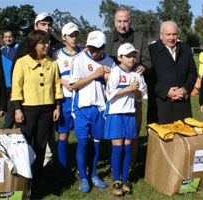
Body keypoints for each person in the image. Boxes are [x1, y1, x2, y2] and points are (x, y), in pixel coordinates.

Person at [11, 30, 63, 187]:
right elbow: (16, 87)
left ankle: (38, 177)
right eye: (43, 43)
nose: (47, 45)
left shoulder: (52, 63)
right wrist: (17, 109)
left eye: (47, 42)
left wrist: (57, 106)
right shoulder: (22, 62)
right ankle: (23, 177)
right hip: (27, 109)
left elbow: (56, 85)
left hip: (47, 109)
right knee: (25, 143)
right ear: (33, 44)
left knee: (41, 144)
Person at [104, 6, 151, 172]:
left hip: (134, 92)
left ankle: (130, 164)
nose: (122, 25)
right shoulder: (108, 37)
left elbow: (147, 60)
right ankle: (114, 164)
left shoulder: (139, 37)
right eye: (119, 21)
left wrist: (143, 66)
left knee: (133, 130)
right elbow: (101, 58)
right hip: (114, 92)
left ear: (130, 21)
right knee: (113, 132)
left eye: (125, 21)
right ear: (114, 22)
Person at [69, 30, 114, 192]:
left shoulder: (109, 62)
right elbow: (73, 85)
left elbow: (112, 87)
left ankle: (93, 174)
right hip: (82, 108)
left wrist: (108, 78)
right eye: (90, 48)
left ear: (103, 47)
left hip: (100, 109)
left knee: (96, 144)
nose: (93, 52)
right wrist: (95, 75)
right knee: (82, 143)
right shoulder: (79, 59)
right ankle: (83, 178)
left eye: (97, 49)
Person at [104, 43, 145, 196]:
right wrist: (129, 88)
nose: (132, 59)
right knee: (118, 147)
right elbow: (110, 94)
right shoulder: (115, 72)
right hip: (116, 114)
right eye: (128, 56)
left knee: (128, 147)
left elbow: (140, 98)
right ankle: (116, 180)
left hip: (129, 114)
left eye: (134, 55)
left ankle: (125, 179)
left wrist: (135, 92)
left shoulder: (137, 75)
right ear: (120, 57)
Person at [147, 21, 197, 124]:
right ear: (161, 35)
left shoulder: (186, 49)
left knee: (184, 137)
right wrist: (166, 92)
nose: (171, 37)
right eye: (168, 34)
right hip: (160, 106)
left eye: (174, 34)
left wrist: (185, 89)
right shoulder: (151, 51)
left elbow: (192, 73)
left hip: (182, 105)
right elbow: (149, 76)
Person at [53, 22, 82, 180]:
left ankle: (81, 166)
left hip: (81, 100)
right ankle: (63, 168)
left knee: (81, 135)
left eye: (76, 34)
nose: (74, 38)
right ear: (63, 37)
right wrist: (64, 83)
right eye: (71, 35)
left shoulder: (84, 53)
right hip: (64, 100)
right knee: (63, 135)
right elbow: (53, 75)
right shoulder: (57, 55)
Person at [1, 29, 19, 129]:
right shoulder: (0, 51)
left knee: (11, 113)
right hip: (4, 87)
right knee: (9, 111)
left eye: (10, 36)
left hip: (14, 86)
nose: (8, 39)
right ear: (3, 38)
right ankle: (19, 134)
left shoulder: (19, 49)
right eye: (6, 37)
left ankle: (4, 132)